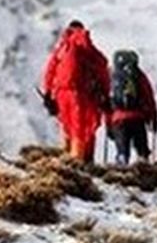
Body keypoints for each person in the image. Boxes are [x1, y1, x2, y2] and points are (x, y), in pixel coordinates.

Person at [40, 20, 110, 164]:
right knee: (82, 128)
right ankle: (80, 162)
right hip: (81, 94)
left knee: (68, 127)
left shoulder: (62, 48)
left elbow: (50, 71)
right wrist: (105, 94)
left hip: (61, 93)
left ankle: (67, 158)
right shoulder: (87, 47)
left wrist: (48, 93)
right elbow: (103, 67)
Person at [105, 49, 157, 166]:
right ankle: (145, 171)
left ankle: (121, 172)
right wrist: (153, 118)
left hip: (118, 120)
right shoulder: (139, 76)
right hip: (137, 118)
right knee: (142, 149)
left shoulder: (111, 75)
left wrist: (108, 125)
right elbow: (148, 97)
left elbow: (107, 104)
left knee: (122, 152)